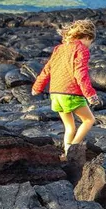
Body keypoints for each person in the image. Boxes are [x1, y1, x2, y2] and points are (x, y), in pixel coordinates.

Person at [31, 19, 101, 158]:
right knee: (89, 120)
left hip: (55, 94)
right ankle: (73, 150)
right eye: (90, 42)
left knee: (70, 127)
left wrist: (37, 87)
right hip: (71, 93)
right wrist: (90, 95)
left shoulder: (59, 49)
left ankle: (67, 154)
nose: (89, 45)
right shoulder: (82, 49)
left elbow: (47, 69)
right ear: (87, 37)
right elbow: (80, 73)